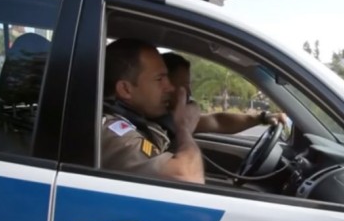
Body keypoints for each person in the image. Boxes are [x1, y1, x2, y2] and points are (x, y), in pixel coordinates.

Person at [101, 39, 204, 184]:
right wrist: (184, 129)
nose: (170, 87)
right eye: (159, 79)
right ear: (125, 89)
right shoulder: (114, 132)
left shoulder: (144, 121)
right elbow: (189, 177)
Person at [160, 52, 288, 137]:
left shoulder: (172, 118)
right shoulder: (148, 128)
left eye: (188, 85)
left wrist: (261, 118)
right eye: (183, 86)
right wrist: (184, 132)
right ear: (163, 85)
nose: (189, 93)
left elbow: (218, 121)